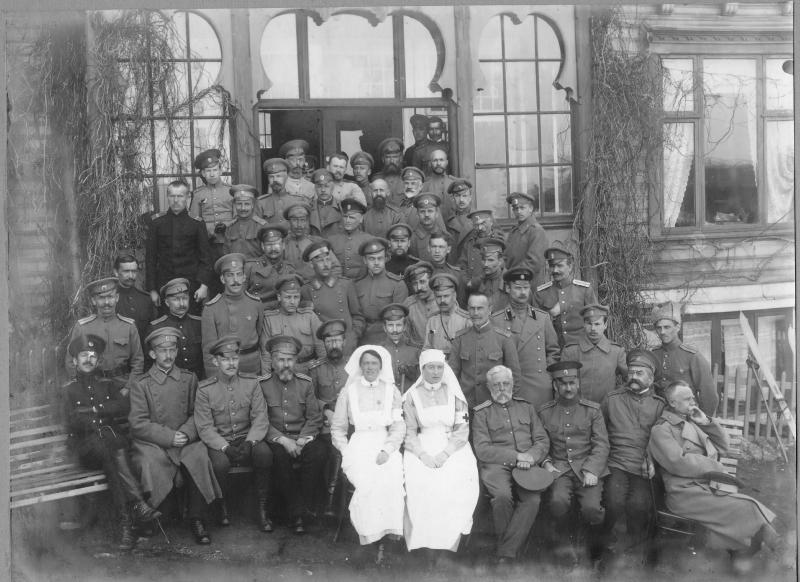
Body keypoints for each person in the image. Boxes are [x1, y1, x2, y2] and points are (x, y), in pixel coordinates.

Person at [649, 381, 783, 566]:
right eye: (687, 399)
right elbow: (677, 462)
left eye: (693, 398)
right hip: (684, 493)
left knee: (747, 505)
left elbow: (724, 446)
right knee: (747, 506)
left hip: (707, 487)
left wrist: (705, 422)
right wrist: (714, 466)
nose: (693, 402)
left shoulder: (693, 421)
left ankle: (749, 551)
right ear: (672, 402)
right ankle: (774, 548)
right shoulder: (661, 429)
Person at [62, 334, 161, 550]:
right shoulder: (68, 390)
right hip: (84, 450)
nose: (88, 359)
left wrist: (94, 409)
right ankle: (137, 506)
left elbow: (123, 406)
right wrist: (100, 417)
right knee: (111, 446)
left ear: (98, 361)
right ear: (75, 361)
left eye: (92, 356)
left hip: (109, 449)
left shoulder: (107, 385)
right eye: (83, 355)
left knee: (110, 453)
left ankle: (126, 527)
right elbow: (72, 421)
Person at [128, 327, 222, 545]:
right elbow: (138, 423)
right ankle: (155, 515)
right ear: (152, 354)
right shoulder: (141, 384)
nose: (168, 355)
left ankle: (197, 518)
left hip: (185, 439)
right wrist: (169, 437)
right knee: (150, 461)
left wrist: (186, 434)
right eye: (162, 351)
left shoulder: (189, 379)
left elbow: (197, 413)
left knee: (199, 455)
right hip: (155, 442)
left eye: (172, 349)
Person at [331, 346, 406, 561]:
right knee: (367, 482)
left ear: (381, 366)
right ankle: (369, 535)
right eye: (366, 363)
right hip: (359, 444)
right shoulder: (349, 391)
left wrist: (388, 449)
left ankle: (387, 536)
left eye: (374, 363)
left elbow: (398, 426)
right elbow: (338, 428)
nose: (370, 367)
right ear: (360, 366)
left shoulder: (391, 391)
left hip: (385, 443)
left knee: (391, 479)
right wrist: (346, 451)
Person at [194, 335, 274, 533]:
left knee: (264, 454)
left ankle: (262, 508)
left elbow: (260, 417)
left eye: (235, 358)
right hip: (221, 441)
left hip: (247, 437)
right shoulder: (205, 389)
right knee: (220, 464)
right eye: (225, 359)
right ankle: (222, 506)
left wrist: (250, 442)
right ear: (216, 361)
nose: (231, 364)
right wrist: (224, 447)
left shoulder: (251, 383)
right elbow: (205, 427)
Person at [403, 349, 479, 555]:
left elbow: (462, 429)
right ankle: (425, 542)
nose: (436, 372)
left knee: (457, 481)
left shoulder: (455, 395)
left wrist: (446, 454)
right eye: (431, 367)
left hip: (453, 445)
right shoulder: (411, 396)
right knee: (421, 482)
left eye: (439, 367)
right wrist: (423, 455)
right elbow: (409, 432)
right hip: (422, 445)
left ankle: (449, 542)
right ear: (422, 369)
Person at [472, 365, 550, 563]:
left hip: (528, 464)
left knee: (533, 501)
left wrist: (530, 457)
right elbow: (482, 449)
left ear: (512, 385)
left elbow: (542, 440)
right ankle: (510, 554)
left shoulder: (527, 408)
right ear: (489, 387)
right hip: (496, 466)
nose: (501, 389)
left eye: (505, 384)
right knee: (502, 496)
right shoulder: (482, 413)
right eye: (496, 385)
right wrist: (517, 457)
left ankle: (505, 553)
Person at [539, 360, 609, 564]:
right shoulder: (545, 412)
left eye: (572, 383)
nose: (568, 388)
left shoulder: (592, 410)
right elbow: (540, 443)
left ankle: (595, 550)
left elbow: (602, 444)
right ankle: (565, 547)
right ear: (555, 386)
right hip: (559, 469)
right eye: (563, 383)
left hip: (587, 468)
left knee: (592, 509)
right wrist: (546, 463)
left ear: (578, 383)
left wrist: (592, 470)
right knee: (557, 502)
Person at [600, 349, 665, 554]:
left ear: (651, 378)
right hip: (616, 462)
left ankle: (634, 545)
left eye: (639, 373)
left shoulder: (660, 405)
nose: (633, 377)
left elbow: (663, 439)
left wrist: (652, 461)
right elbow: (599, 433)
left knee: (639, 504)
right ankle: (605, 540)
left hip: (644, 465)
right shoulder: (612, 399)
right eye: (631, 372)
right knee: (613, 500)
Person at [260, 335, 326, 534]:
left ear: (296, 361)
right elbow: (260, 420)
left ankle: (298, 510)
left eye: (290, 360)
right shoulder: (262, 385)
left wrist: (303, 439)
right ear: (272, 361)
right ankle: (298, 514)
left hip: (302, 436)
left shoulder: (305, 384)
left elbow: (314, 417)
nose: (286, 365)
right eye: (281, 360)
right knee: (278, 457)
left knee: (318, 452)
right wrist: (283, 440)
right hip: (276, 438)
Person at [491, 267, 560, 407]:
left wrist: (547, 376)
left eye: (526, 288)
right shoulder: (496, 320)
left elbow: (553, 351)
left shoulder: (542, 318)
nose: (522, 292)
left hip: (540, 387)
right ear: (508, 289)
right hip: (510, 386)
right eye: (517, 288)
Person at [146, 180, 214, 311]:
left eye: (180, 196)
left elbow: (206, 258)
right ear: (167, 197)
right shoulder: (157, 223)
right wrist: (152, 289)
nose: (176, 200)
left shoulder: (197, 223)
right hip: (164, 284)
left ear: (187, 197)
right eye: (172, 196)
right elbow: (150, 259)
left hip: (191, 285)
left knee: (192, 319)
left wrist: (204, 286)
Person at [448, 291, 521, 408]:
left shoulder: (504, 339)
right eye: (472, 308)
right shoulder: (460, 338)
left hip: (494, 405)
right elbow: (452, 374)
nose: (475, 313)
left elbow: (515, 376)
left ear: (490, 309)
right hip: (466, 405)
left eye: (480, 308)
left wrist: (506, 404)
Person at [65, 277, 144, 386]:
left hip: (122, 385)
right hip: (92, 386)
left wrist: (128, 388)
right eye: (101, 298)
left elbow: (138, 362)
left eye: (110, 297)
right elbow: (71, 360)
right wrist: (81, 386)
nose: (106, 302)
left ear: (117, 298)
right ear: (93, 301)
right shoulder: (82, 327)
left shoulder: (129, 327)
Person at [308, 319, 350, 514]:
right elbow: (311, 398)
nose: (334, 345)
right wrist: (326, 409)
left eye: (337, 340)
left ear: (344, 341)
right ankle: (327, 503)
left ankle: (338, 504)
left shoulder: (353, 367)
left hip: (350, 423)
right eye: (329, 341)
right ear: (324, 344)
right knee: (326, 453)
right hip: (326, 425)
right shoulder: (316, 369)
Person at [201, 253, 267, 378]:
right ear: (222, 279)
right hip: (224, 367)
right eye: (230, 275)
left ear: (244, 277)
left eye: (239, 274)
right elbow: (208, 350)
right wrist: (215, 379)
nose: (235, 280)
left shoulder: (256, 304)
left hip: (251, 366)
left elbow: (260, 336)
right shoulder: (211, 309)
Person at [651, 301, 718, 415]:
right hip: (659, 416)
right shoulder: (653, 354)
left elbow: (709, 395)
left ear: (678, 327)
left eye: (667, 327)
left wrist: (702, 419)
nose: (662, 332)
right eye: (659, 328)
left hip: (686, 417)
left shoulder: (692, 356)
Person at [301, 240, 365, 356]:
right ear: (311, 264)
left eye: (327, 259)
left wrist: (353, 337)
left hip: (346, 342)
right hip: (324, 345)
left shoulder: (346, 284)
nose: (325, 264)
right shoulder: (306, 290)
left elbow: (358, 316)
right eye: (320, 261)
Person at [533, 244, 598, 348]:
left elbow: (595, 322)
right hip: (554, 351)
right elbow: (536, 327)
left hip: (581, 349)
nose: (555, 270)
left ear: (570, 267)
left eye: (559, 266)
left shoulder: (584, 290)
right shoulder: (541, 294)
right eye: (552, 266)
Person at [561, 304, 627, 404]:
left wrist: (616, 398)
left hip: (606, 409)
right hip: (578, 408)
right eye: (589, 324)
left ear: (605, 325)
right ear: (584, 324)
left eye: (597, 324)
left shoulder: (616, 351)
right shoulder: (571, 351)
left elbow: (629, 379)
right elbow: (562, 383)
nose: (593, 328)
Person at [261, 274, 325, 374]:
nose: (292, 302)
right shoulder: (270, 319)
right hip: (281, 371)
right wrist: (266, 379)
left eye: (296, 297)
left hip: (308, 369)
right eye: (288, 297)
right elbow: (266, 356)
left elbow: (322, 349)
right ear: (279, 297)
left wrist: (322, 374)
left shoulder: (309, 315)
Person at [146, 278, 204, 380]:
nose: (181, 304)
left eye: (184, 298)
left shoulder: (200, 323)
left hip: (198, 380)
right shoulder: (156, 327)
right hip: (169, 381)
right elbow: (150, 362)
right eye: (176, 299)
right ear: (167, 302)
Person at [354, 238, 408, 344]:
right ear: (364, 260)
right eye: (371, 259)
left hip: (388, 337)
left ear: (386, 258)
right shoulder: (357, 285)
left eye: (380, 258)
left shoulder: (397, 284)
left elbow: (400, 319)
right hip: (362, 337)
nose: (376, 263)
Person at [281, 203, 343, 282]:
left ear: (307, 222)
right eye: (295, 220)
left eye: (303, 220)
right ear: (289, 222)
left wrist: (323, 285)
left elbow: (336, 268)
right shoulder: (282, 244)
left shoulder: (317, 242)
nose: (299, 225)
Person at [245, 223, 297, 305]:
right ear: (262, 246)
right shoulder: (250, 267)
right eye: (269, 245)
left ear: (283, 245)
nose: (273, 248)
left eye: (276, 244)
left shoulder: (289, 269)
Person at [504, 192, 549, 286]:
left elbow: (534, 263)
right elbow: (506, 258)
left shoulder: (537, 231)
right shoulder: (513, 232)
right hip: (513, 284)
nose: (519, 211)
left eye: (522, 208)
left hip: (529, 284)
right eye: (516, 209)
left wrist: (513, 277)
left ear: (530, 209)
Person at [113, 252, 156, 353]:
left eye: (134, 271)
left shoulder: (146, 299)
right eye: (126, 271)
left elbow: (152, 332)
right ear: (116, 272)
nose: (131, 276)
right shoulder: (109, 300)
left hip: (142, 354)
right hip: (118, 355)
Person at [422, 273, 470, 356]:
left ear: (454, 295)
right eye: (438, 297)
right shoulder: (432, 321)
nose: (442, 301)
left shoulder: (466, 320)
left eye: (446, 296)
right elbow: (427, 347)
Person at [189, 148, 233, 237]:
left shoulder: (231, 191)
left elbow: (237, 218)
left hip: (229, 237)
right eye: (208, 171)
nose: (212, 174)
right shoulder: (198, 194)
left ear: (220, 171)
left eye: (215, 170)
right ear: (203, 173)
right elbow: (194, 220)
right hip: (207, 239)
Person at [378, 303, 421, 392]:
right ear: (384, 327)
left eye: (398, 325)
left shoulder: (416, 350)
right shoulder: (378, 351)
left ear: (404, 326)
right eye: (390, 325)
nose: (395, 330)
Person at [220, 184, 268, 260]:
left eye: (247, 204)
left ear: (253, 205)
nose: (243, 208)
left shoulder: (262, 226)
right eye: (239, 204)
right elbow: (226, 253)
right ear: (234, 205)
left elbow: (267, 254)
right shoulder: (230, 227)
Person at [328, 198, 372, 280]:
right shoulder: (331, 240)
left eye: (352, 217)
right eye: (345, 217)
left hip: (361, 284)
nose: (347, 220)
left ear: (361, 219)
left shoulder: (369, 240)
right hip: (339, 284)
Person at [456, 209, 504, 280]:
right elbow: (462, 265)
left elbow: (503, 267)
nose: (480, 228)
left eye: (483, 223)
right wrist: (466, 281)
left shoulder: (499, 241)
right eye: (476, 225)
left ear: (491, 222)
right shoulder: (469, 242)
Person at [256, 158, 308, 223]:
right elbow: (258, 226)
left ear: (286, 177)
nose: (275, 180)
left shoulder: (298, 200)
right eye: (271, 177)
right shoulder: (261, 203)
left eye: (278, 176)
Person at [402, 261, 439, 346]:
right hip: (416, 351)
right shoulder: (409, 305)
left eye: (422, 282)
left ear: (432, 281)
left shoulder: (443, 301)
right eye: (415, 284)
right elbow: (405, 336)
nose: (419, 288)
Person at [469, 238, 508, 309]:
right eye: (483, 260)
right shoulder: (478, 282)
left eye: (490, 260)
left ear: (500, 261)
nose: (486, 264)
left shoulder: (509, 282)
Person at [420, 149, 456, 220]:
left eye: (441, 160)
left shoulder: (454, 183)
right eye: (435, 160)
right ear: (430, 163)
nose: (438, 163)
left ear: (447, 162)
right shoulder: (424, 186)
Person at [309, 169, 344, 238]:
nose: (323, 190)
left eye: (327, 186)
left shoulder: (342, 207)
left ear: (333, 187)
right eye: (319, 186)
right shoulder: (309, 207)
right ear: (315, 188)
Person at [372, 137, 405, 203]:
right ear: (383, 159)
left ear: (401, 158)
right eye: (388, 157)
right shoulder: (376, 178)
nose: (391, 161)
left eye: (395, 157)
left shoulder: (407, 177)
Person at [443, 179, 474, 252]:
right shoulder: (448, 222)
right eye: (457, 196)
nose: (461, 200)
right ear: (452, 198)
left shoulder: (479, 217)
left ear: (470, 197)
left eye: (464, 196)